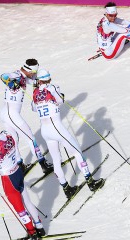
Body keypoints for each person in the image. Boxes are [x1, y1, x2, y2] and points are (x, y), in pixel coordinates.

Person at [30, 68, 105, 199]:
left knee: (56, 160)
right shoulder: (53, 87)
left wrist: (37, 92)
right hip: (57, 128)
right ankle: (90, 182)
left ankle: (66, 189)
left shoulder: (35, 92)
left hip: (45, 131)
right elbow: (60, 101)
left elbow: (33, 108)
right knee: (77, 152)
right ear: (48, 79)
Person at [0, 59, 53, 175]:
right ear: (29, 70)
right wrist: (10, 82)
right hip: (11, 114)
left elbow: (34, 79)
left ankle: (20, 165)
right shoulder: (17, 75)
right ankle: (43, 164)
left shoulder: (25, 77)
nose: (34, 74)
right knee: (30, 138)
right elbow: (3, 76)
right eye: (34, 71)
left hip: (6, 113)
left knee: (14, 140)